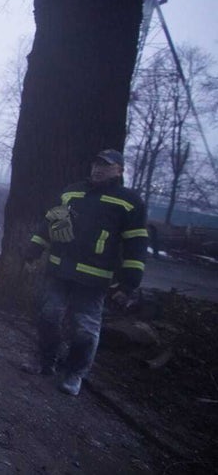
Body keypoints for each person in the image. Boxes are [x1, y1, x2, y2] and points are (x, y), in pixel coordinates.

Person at [23, 149, 148, 395]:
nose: (98, 168)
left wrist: (129, 283)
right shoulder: (72, 192)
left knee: (85, 329)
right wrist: (34, 248)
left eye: (106, 165)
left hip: (94, 279)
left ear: (119, 170)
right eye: (96, 163)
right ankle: (45, 361)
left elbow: (136, 244)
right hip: (60, 270)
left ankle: (74, 373)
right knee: (49, 316)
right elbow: (51, 224)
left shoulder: (129, 202)